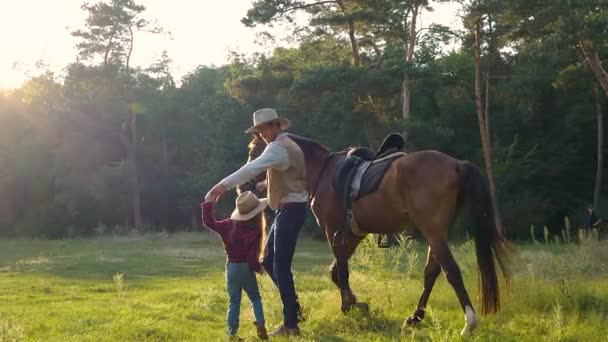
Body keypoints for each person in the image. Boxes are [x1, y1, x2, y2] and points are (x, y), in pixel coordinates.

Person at [206, 108, 307, 337]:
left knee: (280, 266)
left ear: (275, 125)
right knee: (270, 261)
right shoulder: (287, 144)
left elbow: (252, 168)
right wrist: (266, 186)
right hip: (289, 208)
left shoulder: (277, 148)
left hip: (290, 210)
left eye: (263, 129)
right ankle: (294, 311)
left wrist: (221, 186)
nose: (260, 134)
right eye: (258, 130)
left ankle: (291, 325)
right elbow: (286, 172)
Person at [202, 191, 268, 340]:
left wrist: (208, 203)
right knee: (255, 298)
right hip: (246, 268)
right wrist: (259, 268)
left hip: (231, 268)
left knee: (234, 302)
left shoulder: (228, 225)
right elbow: (252, 258)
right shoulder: (255, 229)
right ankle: (261, 327)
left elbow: (209, 222)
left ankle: (232, 334)